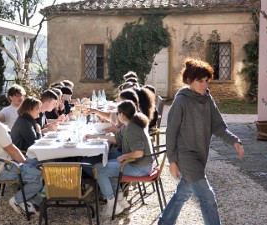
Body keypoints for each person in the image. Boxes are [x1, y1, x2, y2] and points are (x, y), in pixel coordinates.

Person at [158, 59, 245, 225]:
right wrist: (173, 161)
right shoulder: (181, 101)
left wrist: (234, 141)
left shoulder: (207, 99)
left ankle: (164, 222)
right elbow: (171, 133)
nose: (205, 85)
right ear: (190, 80)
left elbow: (218, 126)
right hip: (186, 157)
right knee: (208, 198)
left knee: (182, 194)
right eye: (200, 81)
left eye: (206, 80)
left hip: (200, 156)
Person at [85, 100, 154, 218]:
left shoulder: (132, 128)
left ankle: (112, 204)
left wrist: (124, 156)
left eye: (117, 114)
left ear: (121, 115)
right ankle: (120, 200)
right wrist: (94, 136)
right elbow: (116, 139)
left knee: (99, 168)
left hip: (141, 167)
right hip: (139, 164)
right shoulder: (131, 123)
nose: (117, 116)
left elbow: (138, 153)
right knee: (106, 164)